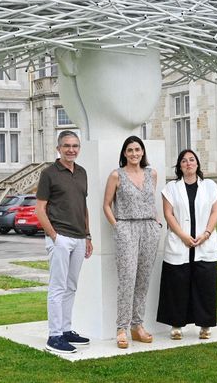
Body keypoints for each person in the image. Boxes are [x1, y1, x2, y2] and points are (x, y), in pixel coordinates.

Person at [35, 130, 93, 354]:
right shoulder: (49, 173)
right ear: (58, 148)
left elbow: (83, 206)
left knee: (71, 286)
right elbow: (40, 209)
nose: (71, 149)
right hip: (60, 237)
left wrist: (87, 235)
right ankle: (54, 335)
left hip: (79, 238)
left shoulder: (82, 173)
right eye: (67, 145)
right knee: (57, 287)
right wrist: (54, 236)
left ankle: (66, 330)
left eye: (75, 146)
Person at [102, 135, 162, 349]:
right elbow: (107, 205)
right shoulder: (116, 175)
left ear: (143, 152)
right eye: (130, 150)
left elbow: (150, 201)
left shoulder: (151, 174)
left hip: (149, 228)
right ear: (124, 153)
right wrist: (117, 226)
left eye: (138, 150)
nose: (134, 154)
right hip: (126, 227)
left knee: (143, 279)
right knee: (127, 278)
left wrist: (155, 223)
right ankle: (121, 328)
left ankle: (138, 326)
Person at [157, 149, 217, 340]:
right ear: (179, 166)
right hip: (180, 243)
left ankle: (205, 325)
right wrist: (183, 236)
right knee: (177, 285)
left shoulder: (210, 186)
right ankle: (177, 325)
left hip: (205, 242)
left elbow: (215, 212)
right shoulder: (171, 188)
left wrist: (207, 233)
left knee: (205, 285)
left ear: (197, 164)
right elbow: (168, 214)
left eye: (192, 160)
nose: (188, 163)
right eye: (184, 161)